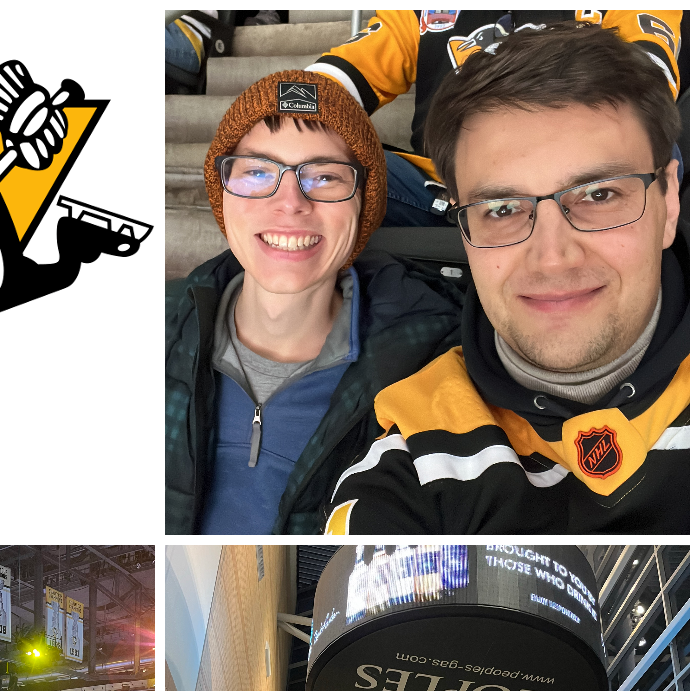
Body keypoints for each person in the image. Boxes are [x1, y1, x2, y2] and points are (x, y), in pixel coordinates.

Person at [324, 23, 687, 533]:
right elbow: (342, 74)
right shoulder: (412, 454)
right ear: (464, 227)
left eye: (599, 194)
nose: (553, 258)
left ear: (670, 203)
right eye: (501, 208)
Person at [166, 70, 464, 533]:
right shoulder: (150, 327)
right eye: (258, 172)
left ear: (363, 203)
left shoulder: (435, 363)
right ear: (221, 193)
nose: (290, 202)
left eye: (324, 176)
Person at [305, 10, 683, 227]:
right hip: (444, 190)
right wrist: (281, 112)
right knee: (303, 166)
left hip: (581, 186)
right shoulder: (419, 11)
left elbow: (647, 86)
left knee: (659, 149)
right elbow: (338, 77)